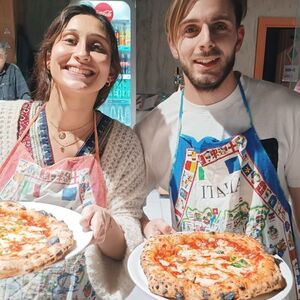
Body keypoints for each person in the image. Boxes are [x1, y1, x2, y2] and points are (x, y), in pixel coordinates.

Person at [135, 0, 300, 299]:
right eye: (191, 29)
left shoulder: (289, 110)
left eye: (219, 26)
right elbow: (125, 206)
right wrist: (147, 226)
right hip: (197, 282)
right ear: (174, 44)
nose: (206, 41)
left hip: (276, 289)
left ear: (238, 36)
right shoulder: (153, 128)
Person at [0, 4, 146, 300]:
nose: (82, 54)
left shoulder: (123, 144)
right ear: (47, 58)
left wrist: (107, 228)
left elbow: (127, 238)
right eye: (70, 40)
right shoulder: (5, 120)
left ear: (110, 73)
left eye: (96, 47)